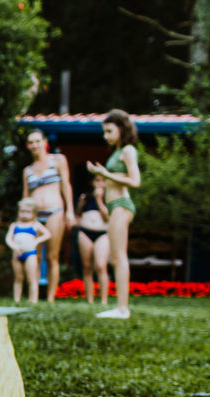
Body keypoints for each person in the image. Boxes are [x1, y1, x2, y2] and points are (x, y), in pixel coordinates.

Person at [87, 109, 141, 319]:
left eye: (109, 131)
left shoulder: (128, 150)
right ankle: (120, 307)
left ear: (121, 129)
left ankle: (122, 308)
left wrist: (105, 174)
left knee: (119, 257)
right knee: (115, 257)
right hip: (113, 207)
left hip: (121, 205)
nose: (105, 136)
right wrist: (101, 173)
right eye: (104, 132)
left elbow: (135, 181)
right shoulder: (118, 151)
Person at [22, 128, 76, 301]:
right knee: (35, 256)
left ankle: (51, 297)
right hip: (34, 216)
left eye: (37, 141)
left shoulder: (58, 160)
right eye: (31, 142)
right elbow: (25, 197)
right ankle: (35, 295)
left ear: (45, 143)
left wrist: (70, 211)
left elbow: (66, 185)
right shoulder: (27, 170)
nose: (34, 145)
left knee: (52, 256)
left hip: (55, 211)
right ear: (28, 146)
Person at [5, 198, 51, 304]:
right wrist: (14, 246)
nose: (25, 214)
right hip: (17, 254)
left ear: (33, 213)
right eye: (22, 211)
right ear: (19, 212)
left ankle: (33, 300)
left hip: (30, 254)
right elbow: (8, 239)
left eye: (28, 212)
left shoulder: (35, 225)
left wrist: (36, 241)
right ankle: (17, 300)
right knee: (18, 278)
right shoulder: (14, 225)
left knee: (32, 278)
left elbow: (47, 234)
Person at [75, 173, 111, 306]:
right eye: (97, 180)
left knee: (101, 265)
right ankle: (89, 300)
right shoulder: (85, 198)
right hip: (85, 232)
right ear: (92, 182)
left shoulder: (108, 199)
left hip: (102, 233)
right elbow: (78, 214)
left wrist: (99, 199)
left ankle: (103, 300)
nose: (100, 184)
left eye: (103, 181)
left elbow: (107, 217)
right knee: (87, 266)